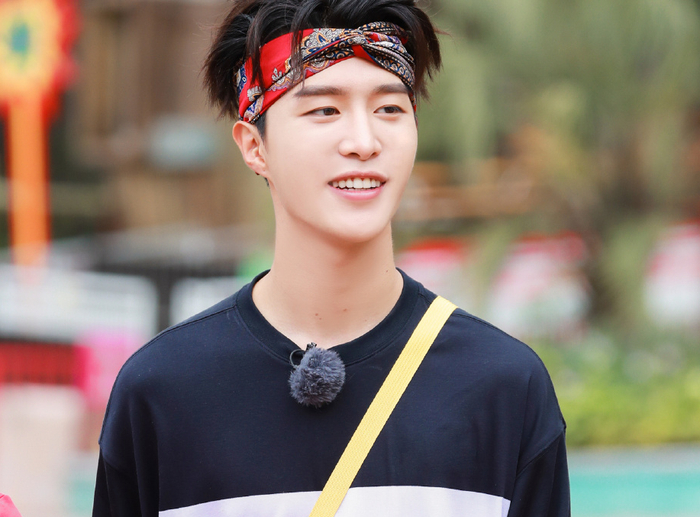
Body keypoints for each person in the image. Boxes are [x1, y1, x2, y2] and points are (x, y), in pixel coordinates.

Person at [92, 0, 570, 515]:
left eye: (389, 109)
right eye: (324, 110)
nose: (364, 142)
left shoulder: (504, 387)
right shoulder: (162, 392)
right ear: (254, 146)